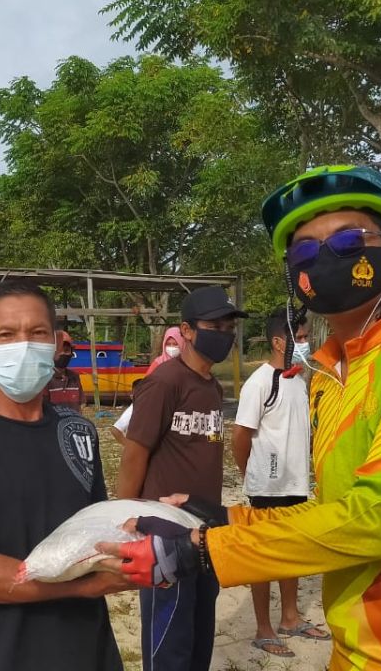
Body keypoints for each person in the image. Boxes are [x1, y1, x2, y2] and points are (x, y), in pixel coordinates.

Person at [101, 166, 381, 670]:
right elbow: (334, 510)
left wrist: (204, 548)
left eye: (350, 240)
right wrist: (222, 516)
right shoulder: (330, 378)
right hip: (360, 649)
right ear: (295, 276)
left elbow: (378, 518)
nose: (326, 257)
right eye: (306, 251)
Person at [0, 280, 130, 671]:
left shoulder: (77, 431)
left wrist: (158, 520)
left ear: (56, 342)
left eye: (37, 333)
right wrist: (84, 586)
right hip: (5, 655)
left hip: (91, 651)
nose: (25, 344)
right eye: (7, 335)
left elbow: (96, 534)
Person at [115, 285, 246, 671]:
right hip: (164, 531)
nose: (223, 334)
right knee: (168, 635)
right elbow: (134, 453)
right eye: (214, 325)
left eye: (228, 326)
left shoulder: (211, 387)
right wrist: (126, 520)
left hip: (206, 528)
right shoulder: (164, 382)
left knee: (198, 630)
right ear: (187, 331)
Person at [232, 312, 328, 657]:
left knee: (290, 551)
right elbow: (240, 436)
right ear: (278, 342)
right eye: (299, 338)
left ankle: (290, 617)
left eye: (306, 338)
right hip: (267, 488)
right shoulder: (260, 382)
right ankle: (263, 628)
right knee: (263, 555)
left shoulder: (299, 381)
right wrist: (253, 475)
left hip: (296, 484)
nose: (306, 344)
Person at [109, 326, 184, 443]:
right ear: (164, 344)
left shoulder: (185, 365)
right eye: (169, 344)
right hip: (156, 397)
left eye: (175, 344)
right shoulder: (158, 362)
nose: (172, 348)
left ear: (182, 343)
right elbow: (146, 382)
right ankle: (120, 429)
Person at [43, 330, 86, 411]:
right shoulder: (44, 378)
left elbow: (81, 406)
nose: (63, 353)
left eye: (66, 350)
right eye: (59, 350)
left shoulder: (74, 377)